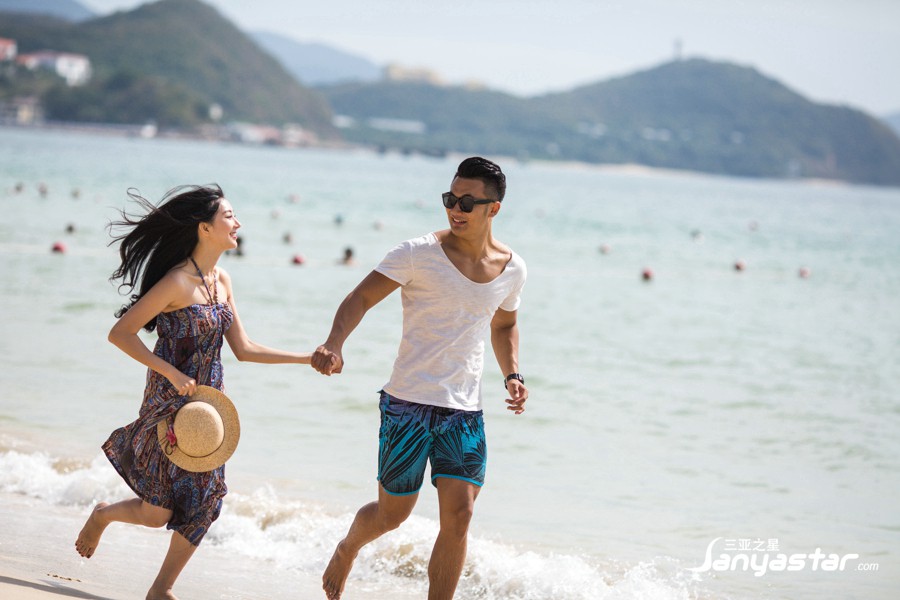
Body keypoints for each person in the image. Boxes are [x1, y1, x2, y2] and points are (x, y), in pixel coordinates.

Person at [75, 185, 316, 600]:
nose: (238, 223)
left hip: (208, 409)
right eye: (229, 216)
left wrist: (305, 358)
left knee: (207, 501)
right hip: (169, 403)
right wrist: (169, 372)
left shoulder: (221, 280)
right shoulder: (176, 282)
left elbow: (244, 349)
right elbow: (121, 333)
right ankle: (102, 516)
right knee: (157, 513)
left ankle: (161, 589)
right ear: (204, 228)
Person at [312, 157, 528, 600]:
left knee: (460, 517)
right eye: (450, 198)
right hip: (407, 404)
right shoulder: (417, 253)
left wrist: (512, 373)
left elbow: (504, 325)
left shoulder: (512, 269)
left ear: (494, 208)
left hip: (465, 411)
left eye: (467, 202)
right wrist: (335, 343)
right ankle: (348, 548)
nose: (455, 209)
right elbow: (360, 298)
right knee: (392, 515)